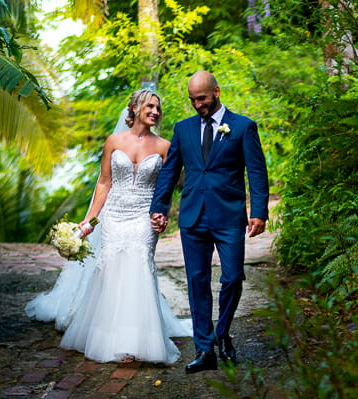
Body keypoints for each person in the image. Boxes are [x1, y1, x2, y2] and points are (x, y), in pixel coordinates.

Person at [27, 88, 192, 364]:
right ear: (136, 108)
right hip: (114, 214)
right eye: (149, 106)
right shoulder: (114, 141)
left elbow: (170, 187)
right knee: (113, 269)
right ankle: (110, 338)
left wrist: (161, 214)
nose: (155, 112)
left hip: (143, 215)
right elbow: (104, 183)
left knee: (139, 268)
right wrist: (90, 221)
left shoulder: (164, 146)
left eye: (157, 108)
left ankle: (135, 340)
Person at [149, 70, 269, 373]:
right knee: (196, 282)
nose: (196, 104)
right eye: (192, 99)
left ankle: (222, 332)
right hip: (192, 217)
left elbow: (256, 171)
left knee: (232, 277)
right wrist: (159, 206)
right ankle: (204, 350)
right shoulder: (183, 129)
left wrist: (259, 211)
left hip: (228, 216)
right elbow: (170, 171)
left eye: (201, 98)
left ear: (216, 91)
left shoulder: (243, 127)